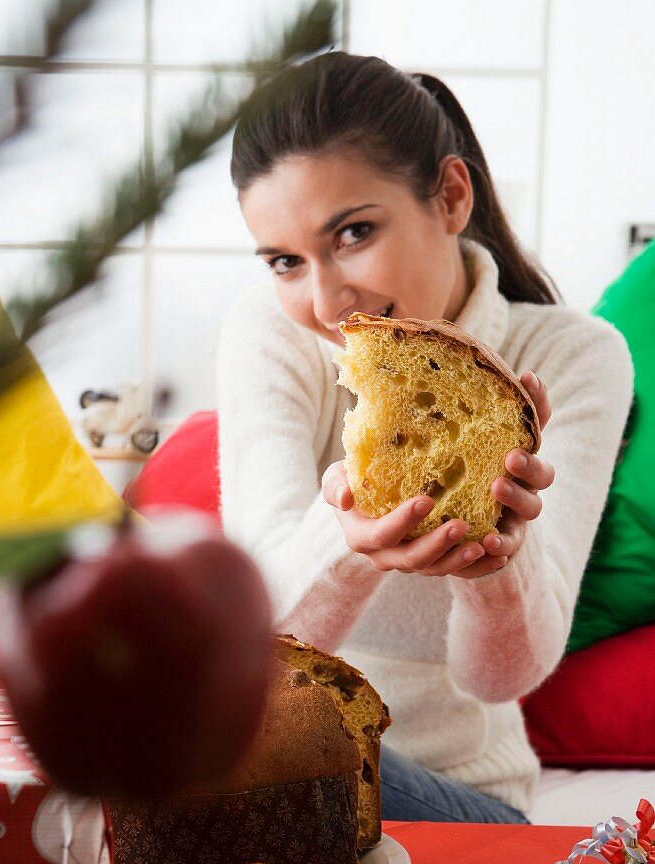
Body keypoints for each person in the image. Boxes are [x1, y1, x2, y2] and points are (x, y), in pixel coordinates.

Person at [215, 52, 633, 824]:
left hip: (459, 797)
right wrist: (350, 543)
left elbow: (498, 679)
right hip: (273, 770)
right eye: (284, 261)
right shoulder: (268, 334)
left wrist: (496, 562)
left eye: (353, 233)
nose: (325, 300)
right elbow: (259, 651)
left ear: (449, 195)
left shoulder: (575, 358)